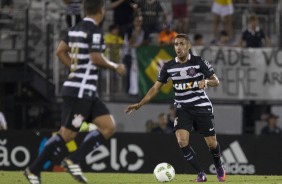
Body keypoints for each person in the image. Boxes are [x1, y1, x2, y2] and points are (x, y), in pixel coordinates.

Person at [24, 0, 126, 184]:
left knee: (108, 126)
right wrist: (114, 66)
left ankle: (74, 160)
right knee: (67, 135)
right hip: (79, 91)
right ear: (101, 11)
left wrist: (74, 67)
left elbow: (60, 50)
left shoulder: (76, 28)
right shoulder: (94, 30)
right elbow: (95, 58)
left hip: (86, 91)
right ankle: (33, 170)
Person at [125, 33, 226, 182]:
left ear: (188, 46)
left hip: (201, 107)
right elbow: (155, 88)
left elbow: (216, 81)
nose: (178, 47)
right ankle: (201, 173)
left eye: (182, 44)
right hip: (183, 108)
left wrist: (206, 81)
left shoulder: (199, 62)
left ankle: (218, 166)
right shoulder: (168, 66)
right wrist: (140, 103)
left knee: (211, 143)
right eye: (176, 44)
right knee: (182, 141)